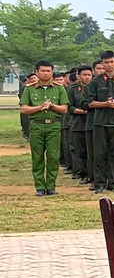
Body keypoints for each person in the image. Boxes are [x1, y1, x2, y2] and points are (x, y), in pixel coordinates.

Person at [86, 50, 114, 193]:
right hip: (100, 122)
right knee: (99, 154)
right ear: (102, 64)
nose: (109, 65)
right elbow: (89, 102)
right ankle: (99, 183)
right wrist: (104, 104)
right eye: (106, 62)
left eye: (111, 62)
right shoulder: (96, 82)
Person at [20, 60, 68, 196]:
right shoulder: (29, 89)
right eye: (43, 71)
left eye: (48, 71)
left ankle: (51, 186)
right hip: (37, 125)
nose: (46, 73)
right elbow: (24, 109)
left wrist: (52, 106)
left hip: (53, 125)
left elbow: (64, 109)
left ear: (52, 72)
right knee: (37, 157)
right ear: (37, 72)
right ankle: (40, 187)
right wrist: (39, 107)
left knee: (53, 156)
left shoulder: (59, 88)